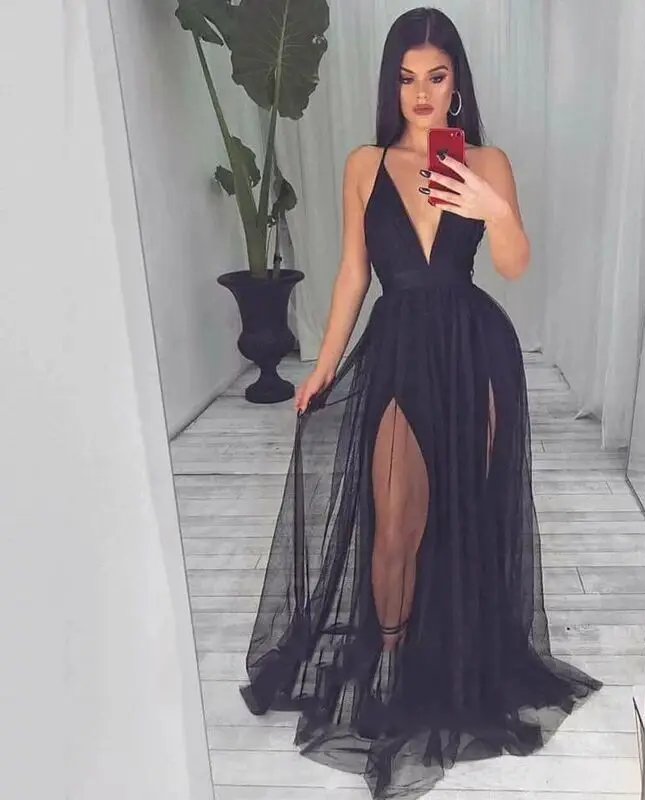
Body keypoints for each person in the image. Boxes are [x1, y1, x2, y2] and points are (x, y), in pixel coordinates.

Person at [240, 7, 601, 799]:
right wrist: (321, 367)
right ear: (391, 84)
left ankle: (467, 664)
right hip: (401, 346)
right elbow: (351, 273)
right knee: (395, 521)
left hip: (476, 349)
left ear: (457, 82)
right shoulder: (364, 164)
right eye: (407, 78)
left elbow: (513, 263)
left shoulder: (487, 161)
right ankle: (392, 667)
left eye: (437, 76)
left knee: (468, 514)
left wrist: (492, 207)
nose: (422, 93)